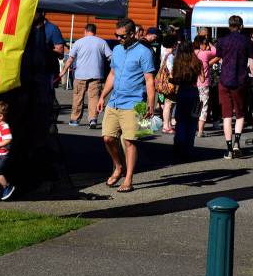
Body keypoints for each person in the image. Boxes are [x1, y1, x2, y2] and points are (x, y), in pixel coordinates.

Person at [97, 18, 155, 192]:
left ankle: (128, 179)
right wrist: (102, 96)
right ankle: (118, 166)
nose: (119, 38)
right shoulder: (116, 50)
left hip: (135, 102)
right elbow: (112, 74)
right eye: (116, 35)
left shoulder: (145, 52)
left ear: (132, 34)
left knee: (130, 141)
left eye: (121, 36)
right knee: (107, 138)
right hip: (114, 101)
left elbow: (149, 79)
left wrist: (151, 104)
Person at [211, 15, 253, 159]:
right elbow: (252, 65)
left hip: (224, 80)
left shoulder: (222, 41)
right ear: (241, 26)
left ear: (229, 26)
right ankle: (237, 143)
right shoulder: (247, 42)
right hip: (240, 81)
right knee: (240, 113)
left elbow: (219, 58)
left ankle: (229, 149)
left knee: (226, 116)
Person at [63, 23, 112, 129]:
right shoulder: (102, 42)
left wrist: (63, 71)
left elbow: (70, 59)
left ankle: (75, 119)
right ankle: (93, 119)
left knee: (78, 97)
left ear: (85, 31)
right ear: (95, 31)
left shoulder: (79, 42)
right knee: (94, 97)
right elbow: (110, 57)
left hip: (80, 74)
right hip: (96, 74)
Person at [169, 41, 201, 161]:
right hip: (194, 92)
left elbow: (176, 78)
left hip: (182, 92)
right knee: (192, 122)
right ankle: (189, 150)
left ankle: (179, 146)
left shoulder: (178, 62)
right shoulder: (196, 62)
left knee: (181, 120)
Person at [194, 34, 217, 137]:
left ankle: (194, 127)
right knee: (204, 106)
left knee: (196, 106)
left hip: (194, 83)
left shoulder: (195, 53)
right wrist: (210, 44)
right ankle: (200, 130)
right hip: (204, 83)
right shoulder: (205, 54)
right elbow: (216, 52)